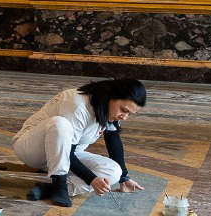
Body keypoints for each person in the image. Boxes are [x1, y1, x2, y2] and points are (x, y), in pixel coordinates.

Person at [13, 78, 147, 207]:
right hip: (32, 150)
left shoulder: (110, 109)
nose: (125, 116)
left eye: (129, 114)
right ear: (112, 96)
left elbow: (113, 140)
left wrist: (124, 178)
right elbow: (67, 153)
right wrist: (91, 179)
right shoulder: (77, 104)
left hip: (65, 156)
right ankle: (59, 185)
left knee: (113, 171)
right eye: (124, 110)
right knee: (60, 124)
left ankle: (51, 189)